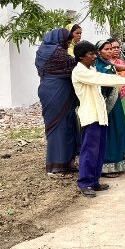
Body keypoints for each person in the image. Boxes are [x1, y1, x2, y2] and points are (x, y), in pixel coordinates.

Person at [71, 41, 125, 197]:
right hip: (91, 116)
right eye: (91, 54)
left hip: (100, 115)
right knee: (89, 151)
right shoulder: (80, 71)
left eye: (94, 53)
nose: (94, 57)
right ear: (81, 56)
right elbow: (101, 79)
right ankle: (85, 183)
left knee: (99, 151)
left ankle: (94, 181)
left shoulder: (90, 69)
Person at [35, 28, 80, 179]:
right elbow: (74, 66)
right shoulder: (57, 52)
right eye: (67, 41)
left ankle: (66, 162)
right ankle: (56, 167)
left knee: (67, 124)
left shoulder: (41, 51)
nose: (68, 44)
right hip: (57, 91)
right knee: (59, 127)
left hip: (49, 89)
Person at [95, 39, 125, 177]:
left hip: (115, 101)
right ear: (99, 52)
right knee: (110, 132)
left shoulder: (107, 64)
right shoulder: (98, 66)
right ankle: (108, 164)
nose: (110, 51)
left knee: (119, 129)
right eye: (106, 49)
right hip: (106, 104)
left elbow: (115, 67)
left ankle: (119, 160)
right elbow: (106, 81)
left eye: (111, 49)